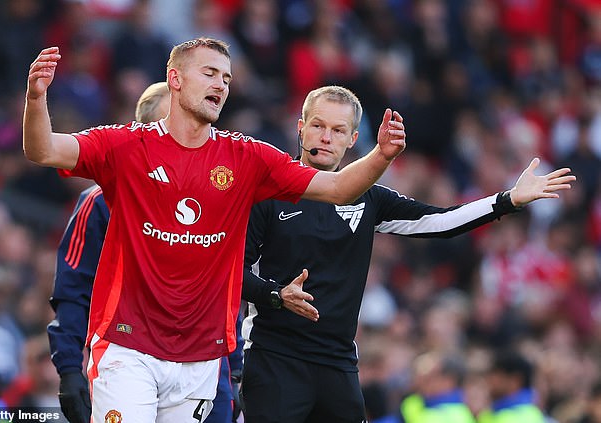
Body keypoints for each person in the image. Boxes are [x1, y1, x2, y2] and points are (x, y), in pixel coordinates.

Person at [23, 37, 406, 423]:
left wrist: (381, 155)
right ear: (174, 78)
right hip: (128, 347)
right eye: (209, 73)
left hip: (203, 359)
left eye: (226, 77)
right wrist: (37, 99)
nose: (221, 85)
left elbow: (338, 188)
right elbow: (43, 150)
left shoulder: (247, 157)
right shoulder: (125, 146)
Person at [240, 85, 576, 423]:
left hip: (337, 362)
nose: (326, 137)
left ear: (353, 138)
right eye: (318, 125)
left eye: (338, 130)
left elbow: (440, 221)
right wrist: (275, 295)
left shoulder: (369, 199)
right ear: (300, 128)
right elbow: (231, 272)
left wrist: (508, 200)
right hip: (274, 357)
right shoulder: (268, 193)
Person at [46, 82, 242, 423]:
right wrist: (68, 368)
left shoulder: (218, 200)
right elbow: (73, 291)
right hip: (130, 354)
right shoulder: (99, 203)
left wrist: (236, 369)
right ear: (144, 132)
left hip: (206, 366)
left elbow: (227, 287)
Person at [398, 351, 475, 423]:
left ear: (448, 381)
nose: (425, 379)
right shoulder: (419, 402)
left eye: (432, 374)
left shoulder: (457, 415)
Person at [477, 351, 546, 423]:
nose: (489, 380)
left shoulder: (525, 418)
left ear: (515, 380)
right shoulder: (490, 413)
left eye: (496, 375)